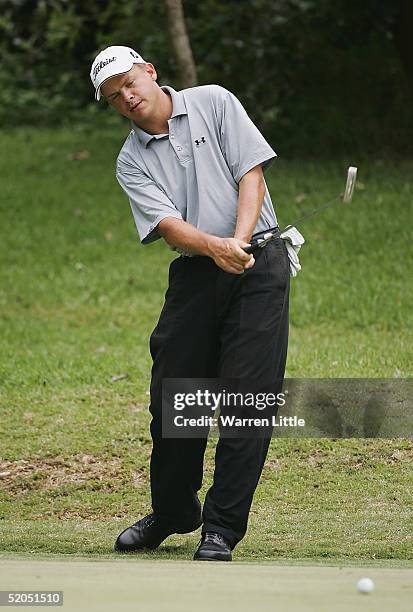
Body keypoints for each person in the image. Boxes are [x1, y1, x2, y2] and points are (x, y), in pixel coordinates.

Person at [90, 45, 290, 562]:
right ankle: (176, 510)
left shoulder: (214, 102)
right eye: (114, 96)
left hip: (258, 262)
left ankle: (221, 528)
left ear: (150, 73)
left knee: (247, 404)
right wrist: (217, 248)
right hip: (197, 274)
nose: (127, 97)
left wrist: (239, 241)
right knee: (174, 399)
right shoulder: (130, 161)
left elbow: (252, 172)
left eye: (130, 83)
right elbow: (169, 227)